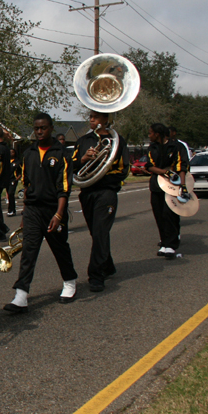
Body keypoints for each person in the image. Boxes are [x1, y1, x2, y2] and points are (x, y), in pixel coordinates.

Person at [5, 113, 78, 314]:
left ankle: (70, 281)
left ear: (51, 128)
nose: (39, 131)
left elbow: (64, 188)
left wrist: (59, 214)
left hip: (53, 209)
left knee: (59, 248)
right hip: (33, 210)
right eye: (36, 128)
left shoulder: (62, 153)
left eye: (43, 128)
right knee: (29, 251)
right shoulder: (28, 154)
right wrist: (24, 214)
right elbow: (26, 185)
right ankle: (21, 295)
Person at [72, 111, 129, 293]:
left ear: (106, 119)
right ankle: (108, 265)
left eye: (96, 117)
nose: (91, 120)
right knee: (96, 233)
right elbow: (72, 166)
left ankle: (95, 275)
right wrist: (84, 159)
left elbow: (123, 169)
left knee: (100, 232)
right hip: (87, 192)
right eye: (90, 117)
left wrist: (101, 173)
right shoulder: (83, 141)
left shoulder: (117, 141)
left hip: (106, 192)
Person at [144, 123, 189, 258]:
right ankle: (164, 242)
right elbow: (150, 166)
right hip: (157, 185)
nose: (149, 135)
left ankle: (171, 245)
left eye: (150, 133)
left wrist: (182, 185)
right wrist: (165, 171)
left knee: (169, 213)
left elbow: (181, 166)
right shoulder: (152, 148)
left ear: (157, 134)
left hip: (173, 185)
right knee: (159, 214)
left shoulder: (176, 146)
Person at [7, 148, 21, 217]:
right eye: (10, 152)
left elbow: (20, 172)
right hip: (7, 180)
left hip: (13, 180)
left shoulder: (17, 162)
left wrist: (16, 179)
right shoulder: (6, 161)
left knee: (11, 193)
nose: (11, 154)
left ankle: (12, 210)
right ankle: (11, 210)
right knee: (9, 195)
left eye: (12, 152)